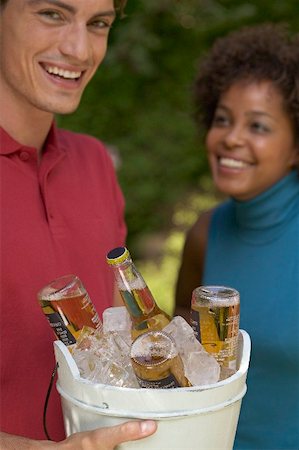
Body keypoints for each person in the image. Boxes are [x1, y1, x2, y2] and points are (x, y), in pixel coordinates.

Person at [0, 0, 157, 448]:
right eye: (52, 14)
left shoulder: (94, 163)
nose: (79, 49)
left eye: (99, 24)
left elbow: (120, 339)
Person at [175, 24, 299, 449]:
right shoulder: (205, 234)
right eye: (223, 119)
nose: (231, 138)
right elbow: (178, 354)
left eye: (258, 126)